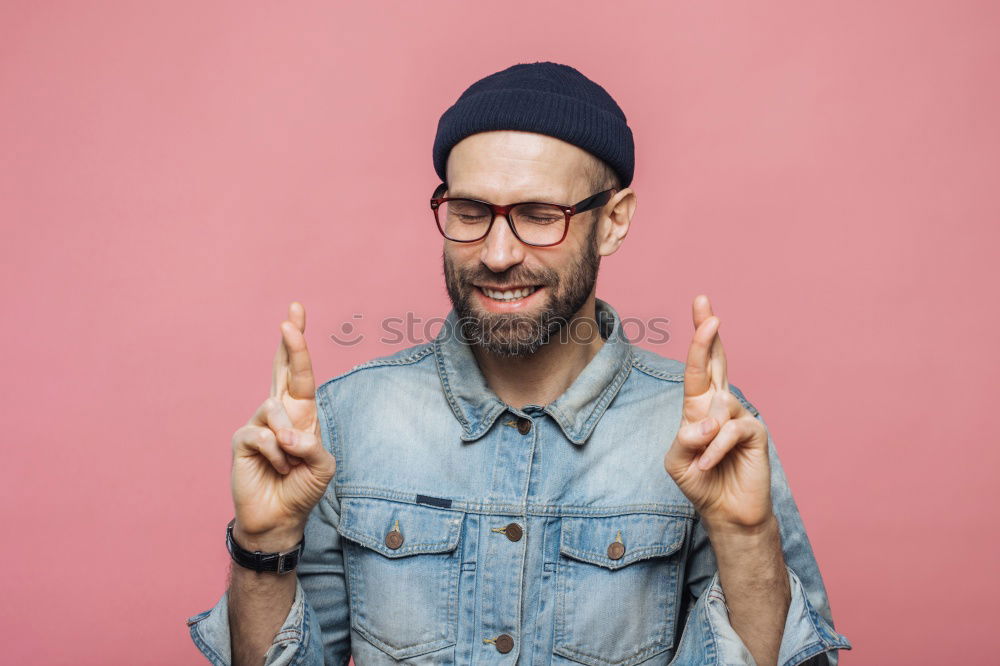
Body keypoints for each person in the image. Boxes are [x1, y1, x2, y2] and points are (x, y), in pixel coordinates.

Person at [186, 61, 851, 666]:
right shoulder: (343, 422)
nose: (497, 253)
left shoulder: (708, 434)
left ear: (613, 222)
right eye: (471, 212)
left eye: (539, 216)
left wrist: (744, 537)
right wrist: (262, 546)